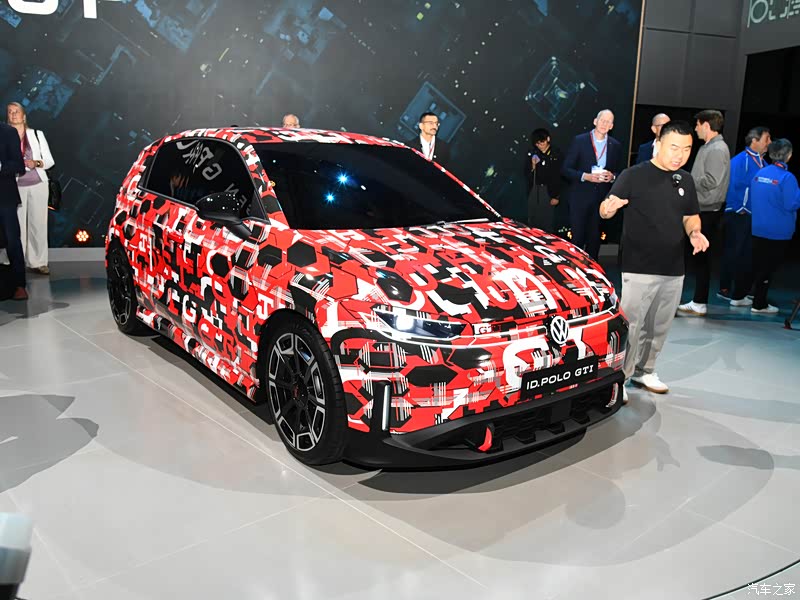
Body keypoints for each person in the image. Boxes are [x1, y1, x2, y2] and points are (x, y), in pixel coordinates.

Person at [599, 120, 709, 400]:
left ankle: (645, 370)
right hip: (639, 265)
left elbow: (690, 216)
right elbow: (605, 209)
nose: (679, 155)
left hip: (674, 266)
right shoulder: (633, 175)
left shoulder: (685, 180)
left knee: (659, 325)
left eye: (686, 149)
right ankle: (620, 378)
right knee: (632, 325)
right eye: (674, 147)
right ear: (659, 144)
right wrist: (609, 208)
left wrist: (695, 232)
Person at [677, 109, 730, 316]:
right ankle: (697, 301)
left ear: (706, 125)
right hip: (702, 208)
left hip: (707, 210)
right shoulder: (709, 147)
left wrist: (687, 179)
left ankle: (699, 301)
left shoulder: (717, 149)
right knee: (698, 257)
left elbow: (712, 180)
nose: (696, 128)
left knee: (700, 257)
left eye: (698, 125)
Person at [718, 126, 771, 305]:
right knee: (734, 252)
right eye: (767, 139)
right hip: (739, 215)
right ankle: (725, 288)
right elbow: (732, 184)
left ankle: (741, 290)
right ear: (754, 141)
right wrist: (738, 207)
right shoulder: (741, 160)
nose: (770, 143)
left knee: (748, 255)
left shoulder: (764, 163)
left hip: (754, 217)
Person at [747, 138, 800, 314]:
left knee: (758, 265)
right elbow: (791, 204)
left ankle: (754, 297)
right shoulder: (787, 178)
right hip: (777, 231)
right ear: (789, 155)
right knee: (768, 269)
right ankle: (759, 303)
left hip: (758, 227)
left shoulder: (760, 173)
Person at [562, 109, 623, 259]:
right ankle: (574, 268)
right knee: (577, 238)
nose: (604, 124)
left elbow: (620, 171)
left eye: (608, 122)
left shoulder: (615, 145)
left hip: (601, 199)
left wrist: (612, 177)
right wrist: (585, 176)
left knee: (595, 239)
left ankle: (592, 269)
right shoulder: (580, 141)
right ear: (595, 121)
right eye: (602, 120)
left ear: (612, 126)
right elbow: (566, 169)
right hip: (580, 198)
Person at [7, 102, 55, 275]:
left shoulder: (36, 134)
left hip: (38, 185)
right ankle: (16, 260)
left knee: (38, 224)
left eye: (17, 111)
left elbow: (49, 161)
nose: (13, 114)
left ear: (24, 116)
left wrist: (36, 163)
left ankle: (38, 262)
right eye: (10, 112)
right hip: (13, 186)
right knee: (15, 226)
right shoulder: (3, 136)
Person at [0, 121, 26, 300]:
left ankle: (19, 285)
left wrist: (1, 166)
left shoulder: (8, 132)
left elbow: (19, 165)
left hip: (5, 197)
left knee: (12, 240)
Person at [525, 128, 562, 233]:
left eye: (542, 142)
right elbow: (526, 173)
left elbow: (559, 177)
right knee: (533, 219)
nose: (540, 145)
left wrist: (556, 196)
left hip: (548, 191)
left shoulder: (556, 154)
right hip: (534, 189)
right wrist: (532, 165)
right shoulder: (533, 154)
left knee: (547, 221)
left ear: (548, 139)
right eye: (537, 143)